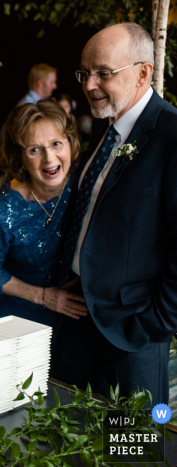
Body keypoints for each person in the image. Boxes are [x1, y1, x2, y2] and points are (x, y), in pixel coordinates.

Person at [55, 23, 177, 403]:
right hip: (75, 318)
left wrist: (154, 325)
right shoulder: (105, 128)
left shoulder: (172, 134)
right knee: (70, 445)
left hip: (131, 333)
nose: (89, 84)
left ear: (144, 72)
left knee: (131, 452)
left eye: (103, 74)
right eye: (84, 73)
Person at [0, 99, 87, 331]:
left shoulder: (84, 185)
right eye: (35, 149)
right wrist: (44, 297)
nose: (49, 159)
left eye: (56, 144)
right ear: (20, 158)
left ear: (70, 143)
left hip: (76, 314)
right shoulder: (2, 210)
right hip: (20, 316)